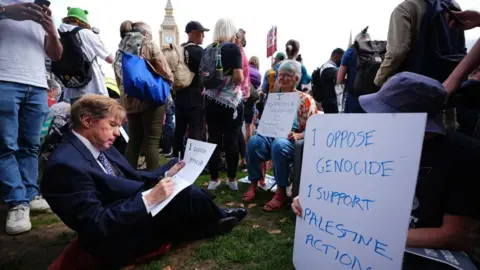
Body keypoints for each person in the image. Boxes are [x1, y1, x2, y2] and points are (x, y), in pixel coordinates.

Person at [40, 95, 247, 267]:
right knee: (184, 194)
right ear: (87, 121)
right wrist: (149, 199)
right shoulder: (65, 166)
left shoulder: (97, 144)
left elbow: (132, 177)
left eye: (118, 126)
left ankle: (212, 217)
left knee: (178, 186)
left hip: (126, 208)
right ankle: (212, 221)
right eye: (112, 125)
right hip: (115, 238)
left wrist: (165, 174)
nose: (116, 132)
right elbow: (97, 224)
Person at [292, 72, 480, 255]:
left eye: (383, 112)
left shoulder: (464, 155)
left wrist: (369, 237)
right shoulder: (377, 142)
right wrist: (314, 201)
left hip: (418, 252)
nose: (374, 118)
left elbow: (455, 236)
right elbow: (347, 192)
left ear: (408, 119)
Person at [0, 1, 63, 235]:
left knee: (31, 145)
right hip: (4, 80)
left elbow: (56, 54)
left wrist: (50, 29)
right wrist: (6, 11)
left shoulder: (41, 10)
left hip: (37, 84)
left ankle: (29, 193)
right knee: (6, 145)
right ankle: (17, 202)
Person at [244, 60, 318, 211]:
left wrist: (299, 135)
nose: (281, 78)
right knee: (254, 141)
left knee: (279, 145)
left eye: (286, 75)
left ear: (296, 79)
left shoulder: (305, 100)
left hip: (289, 140)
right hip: (271, 135)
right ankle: (254, 182)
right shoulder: (275, 98)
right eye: (280, 75)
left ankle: (281, 190)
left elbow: (314, 129)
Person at [114, 21, 173, 171]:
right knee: (152, 141)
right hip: (151, 98)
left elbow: (119, 79)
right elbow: (165, 71)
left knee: (134, 140)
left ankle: (129, 176)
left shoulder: (120, 49)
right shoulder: (148, 45)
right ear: (145, 33)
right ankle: (153, 179)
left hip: (131, 101)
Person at [205, 18, 244, 191]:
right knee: (231, 139)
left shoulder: (209, 48)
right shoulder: (233, 48)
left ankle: (214, 179)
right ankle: (232, 179)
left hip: (210, 98)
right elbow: (238, 76)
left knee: (213, 138)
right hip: (229, 101)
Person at [59, 7, 113, 105]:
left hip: (71, 86)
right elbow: (109, 59)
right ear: (82, 20)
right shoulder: (86, 33)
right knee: (96, 117)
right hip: (92, 86)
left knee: (77, 117)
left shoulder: (59, 34)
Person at [173, 21, 209, 159]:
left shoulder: (180, 49)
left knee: (179, 130)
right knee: (195, 130)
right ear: (193, 32)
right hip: (195, 96)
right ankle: (193, 161)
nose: (203, 36)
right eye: (201, 32)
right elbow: (205, 71)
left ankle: (176, 158)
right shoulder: (198, 51)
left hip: (180, 94)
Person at [337, 30, 368, 113]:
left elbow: (339, 79)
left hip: (354, 97)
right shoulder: (377, 52)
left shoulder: (350, 52)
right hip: (372, 98)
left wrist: (350, 81)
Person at [317, 48, 344, 113]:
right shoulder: (327, 67)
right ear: (335, 56)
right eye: (342, 58)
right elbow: (340, 75)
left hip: (333, 104)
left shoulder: (332, 67)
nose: (342, 61)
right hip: (331, 105)